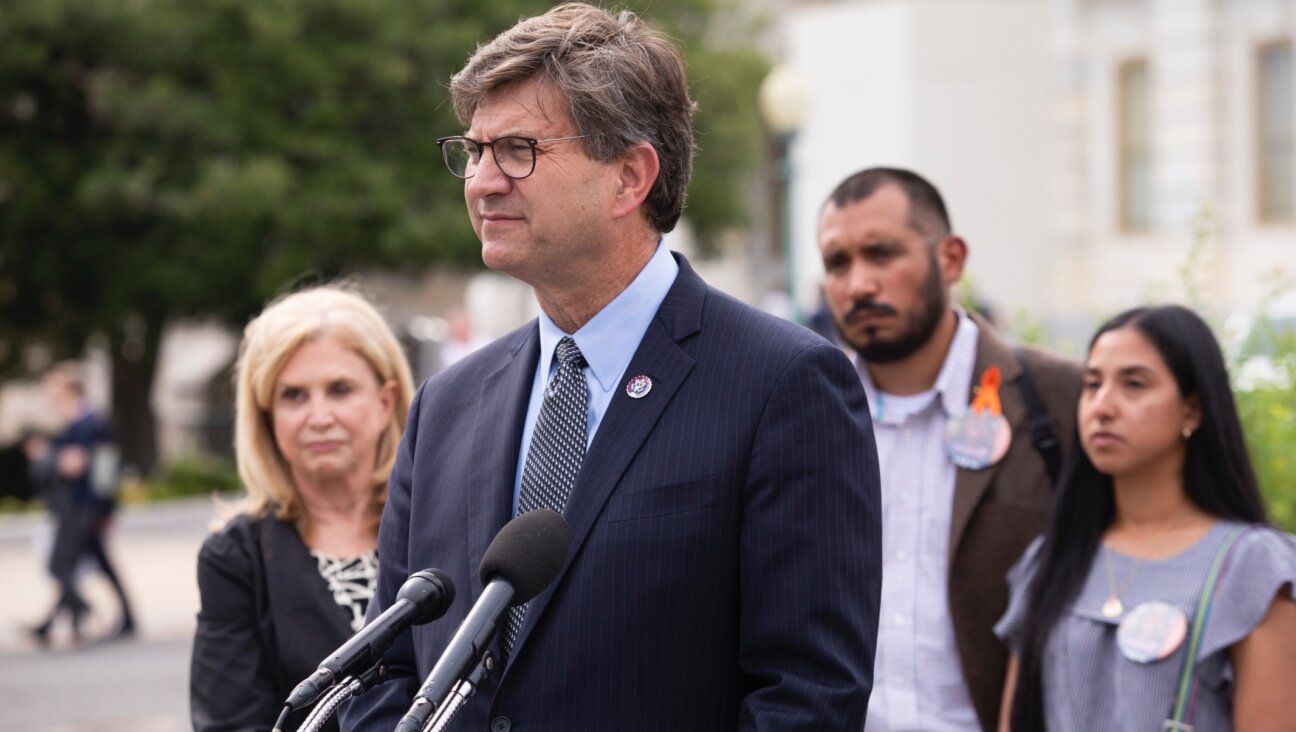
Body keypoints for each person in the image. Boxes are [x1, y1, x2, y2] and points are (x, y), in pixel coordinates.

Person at [341, 4, 882, 730]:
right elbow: (388, 671)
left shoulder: (783, 385)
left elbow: (806, 698)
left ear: (629, 177)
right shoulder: (446, 405)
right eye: (472, 150)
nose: (481, 182)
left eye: (518, 150)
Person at [816, 167, 1082, 731]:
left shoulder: (1057, 400)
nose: (858, 284)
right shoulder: (806, 413)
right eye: (838, 263)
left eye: (882, 253)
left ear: (951, 258)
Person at [995, 305, 1296, 732]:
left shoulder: (1254, 566)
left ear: (1192, 410)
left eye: (1133, 384)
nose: (1102, 406)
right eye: (1092, 384)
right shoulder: (1054, 556)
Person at [189, 286, 415, 732]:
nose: (319, 416)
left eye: (340, 389)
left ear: (385, 401)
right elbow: (231, 723)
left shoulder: (441, 519)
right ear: (266, 415)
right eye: (293, 395)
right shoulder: (236, 559)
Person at [23, 361, 136, 646]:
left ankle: (83, 611)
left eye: (54, 387)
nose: (49, 393)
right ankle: (122, 618)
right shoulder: (73, 423)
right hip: (75, 508)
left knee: (60, 565)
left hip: (84, 509)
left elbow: (104, 470)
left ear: (69, 389)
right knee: (92, 564)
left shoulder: (93, 423)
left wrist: (105, 510)